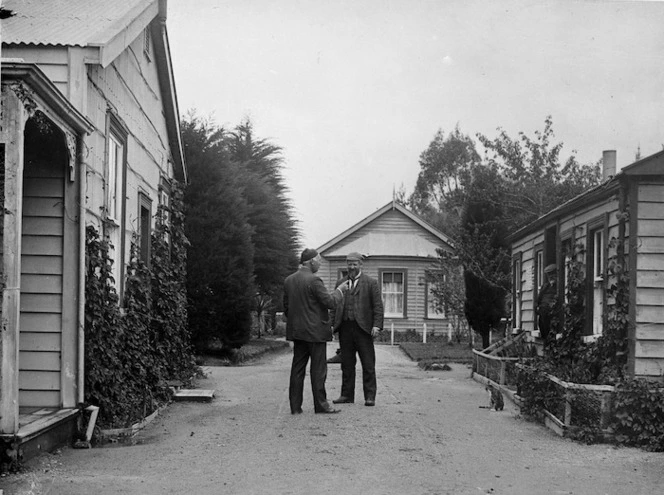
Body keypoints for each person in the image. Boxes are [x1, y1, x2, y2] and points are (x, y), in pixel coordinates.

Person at [283, 248, 349, 415]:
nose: (319, 263)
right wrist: (340, 290)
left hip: (298, 333)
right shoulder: (314, 280)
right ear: (311, 261)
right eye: (318, 260)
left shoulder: (289, 281)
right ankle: (321, 405)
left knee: (297, 369)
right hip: (315, 333)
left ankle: (295, 407)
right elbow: (330, 302)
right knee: (318, 371)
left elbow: (286, 308)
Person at [331, 252, 384, 407]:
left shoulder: (370, 283)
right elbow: (334, 305)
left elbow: (378, 306)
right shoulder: (340, 283)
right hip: (345, 328)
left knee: (368, 363)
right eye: (349, 264)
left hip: (363, 329)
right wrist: (332, 325)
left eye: (355, 264)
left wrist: (376, 325)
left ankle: (370, 396)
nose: (352, 267)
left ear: (361, 265)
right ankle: (346, 395)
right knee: (346, 364)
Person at [536, 264, 558, 340]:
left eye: (553, 274)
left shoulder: (559, 287)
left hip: (552, 313)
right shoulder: (545, 286)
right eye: (549, 275)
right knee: (543, 329)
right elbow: (538, 299)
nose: (551, 277)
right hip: (543, 312)